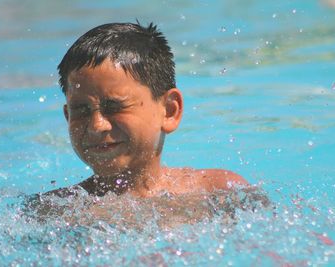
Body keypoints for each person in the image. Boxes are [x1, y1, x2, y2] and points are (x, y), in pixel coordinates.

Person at [51, 22, 248, 199]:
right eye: (81, 110)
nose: (96, 126)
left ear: (170, 111)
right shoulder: (52, 211)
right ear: (68, 116)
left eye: (114, 107)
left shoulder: (221, 192)